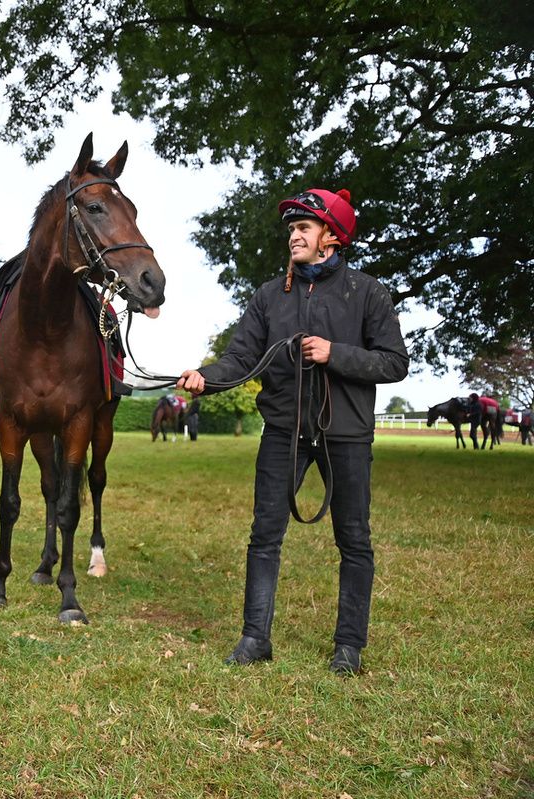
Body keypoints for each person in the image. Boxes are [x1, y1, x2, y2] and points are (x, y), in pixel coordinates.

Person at [177, 188, 408, 675]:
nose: (293, 236)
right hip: (283, 430)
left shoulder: (367, 292)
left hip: (345, 433)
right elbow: (241, 357)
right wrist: (206, 378)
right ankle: (255, 638)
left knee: (354, 539)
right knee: (264, 535)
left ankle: (348, 647)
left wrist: (335, 353)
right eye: (291, 229)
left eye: (303, 227)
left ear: (331, 236)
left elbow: (394, 363)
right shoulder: (268, 296)